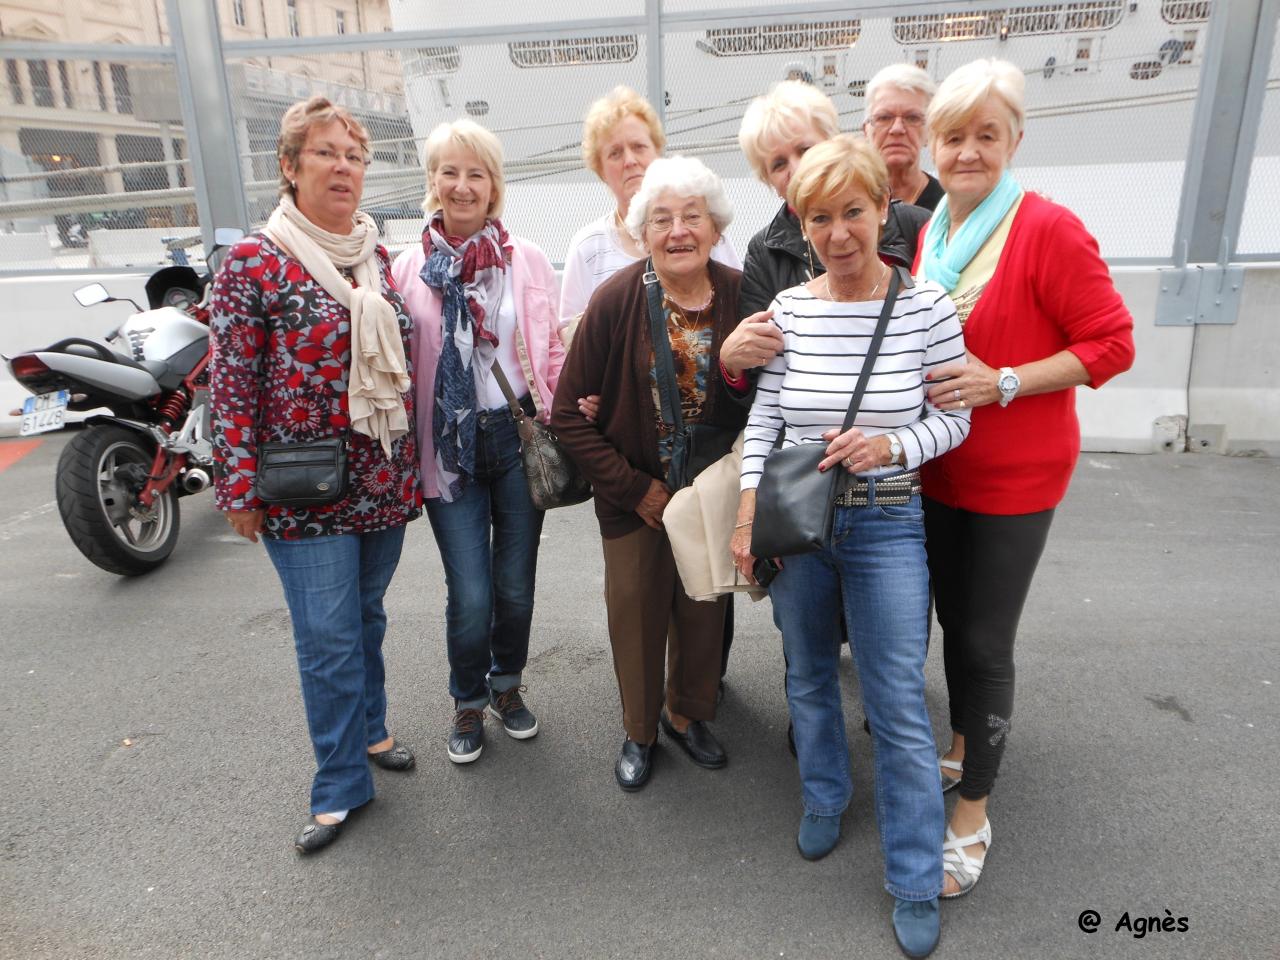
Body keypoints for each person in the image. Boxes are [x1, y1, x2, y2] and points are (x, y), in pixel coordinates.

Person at [730, 134, 971, 959]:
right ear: (803, 224)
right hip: (799, 526)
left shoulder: (927, 307)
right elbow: (764, 420)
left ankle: (912, 874)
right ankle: (826, 795)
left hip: (886, 521)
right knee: (804, 673)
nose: (839, 234)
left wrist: (891, 446)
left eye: (854, 213)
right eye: (820, 217)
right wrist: (744, 516)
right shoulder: (788, 311)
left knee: (898, 698)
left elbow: (955, 417)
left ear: (883, 212)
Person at [915, 58, 1135, 900]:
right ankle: (967, 738)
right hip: (941, 463)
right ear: (933, 145)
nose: (967, 152)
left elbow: (1112, 345)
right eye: (953, 136)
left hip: (1017, 470)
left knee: (983, 638)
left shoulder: (1046, 228)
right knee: (949, 616)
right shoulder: (937, 227)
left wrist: (1003, 379)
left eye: (985, 135)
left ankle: (972, 809)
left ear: (1014, 140)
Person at [210, 96, 423, 855]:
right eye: (327, 152)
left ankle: (369, 733)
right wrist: (237, 487)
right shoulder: (253, 263)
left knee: (364, 619)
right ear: (290, 166)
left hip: (381, 480)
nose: (343, 167)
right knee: (327, 638)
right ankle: (338, 785)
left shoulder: (376, 255)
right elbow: (232, 382)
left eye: (355, 155)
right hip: (302, 489)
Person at [551, 156, 746, 793]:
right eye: (661, 219)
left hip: (711, 492)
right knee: (634, 615)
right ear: (643, 233)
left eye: (692, 216)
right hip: (634, 494)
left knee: (701, 612)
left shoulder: (744, 294)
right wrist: (634, 489)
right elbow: (567, 416)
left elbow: (772, 393)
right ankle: (639, 730)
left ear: (715, 226)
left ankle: (687, 715)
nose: (678, 231)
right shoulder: (615, 301)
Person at [391, 119, 565, 765]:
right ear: (432, 182)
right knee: (470, 592)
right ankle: (466, 699)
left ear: (494, 185)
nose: (463, 186)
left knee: (515, 585)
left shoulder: (529, 259)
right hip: (449, 449)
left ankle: (506, 687)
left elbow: (549, 353)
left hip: (516, 436)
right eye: (450, 172)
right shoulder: (408, 268)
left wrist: (567, 410)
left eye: (477, 173)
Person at [735, 79, 930, 322]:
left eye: (805, 149)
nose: (797, 168)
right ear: (770, 182)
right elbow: (757, 352)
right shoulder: (765, 253)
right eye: (778, 164)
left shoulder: (913, 225)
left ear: (834, 143)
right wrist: (729, 359)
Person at [559, 86, 740, 327]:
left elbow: (739, 302)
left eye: (639, 147)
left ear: (657, 151)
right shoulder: (588, 247)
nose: (630, 161)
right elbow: (570, 333)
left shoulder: (701, 232)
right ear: (600, 170)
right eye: (615, 153)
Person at [863, 63, 944, 211]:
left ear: (930, 132)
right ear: (865, 131)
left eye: (912, 118)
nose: (897, 129)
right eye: (884, 117)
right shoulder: (846, 204)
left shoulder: (948, 208)